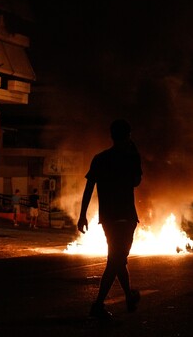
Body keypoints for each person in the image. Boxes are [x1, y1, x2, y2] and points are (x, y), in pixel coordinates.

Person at [77, 119, 143, 320]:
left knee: (118, 259)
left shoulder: (100, 158)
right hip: (126, 216)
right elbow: (136, 182)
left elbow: (89, 188)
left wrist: (82, 215)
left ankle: (129, 296)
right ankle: (98, 304)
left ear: (112, 136)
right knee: (116, 260)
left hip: (108, 218)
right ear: (128, 136)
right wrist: (135, 154)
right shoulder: (130, 158)